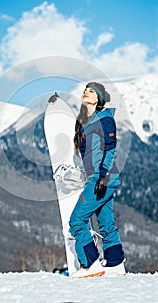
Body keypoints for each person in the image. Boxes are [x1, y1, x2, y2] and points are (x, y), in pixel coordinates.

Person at [69, 82, 125, 278]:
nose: (86, 92)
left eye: (91, 91)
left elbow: (110, 150)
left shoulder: (105, 119)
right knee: (106, 222)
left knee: (76, 221)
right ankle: (116, 264)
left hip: (104, 177)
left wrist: (102, 176)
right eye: (85, 90)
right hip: (100, 178)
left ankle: (90, 264)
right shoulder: (84, 121)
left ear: (99, 98)